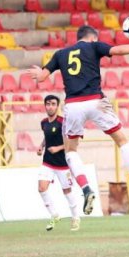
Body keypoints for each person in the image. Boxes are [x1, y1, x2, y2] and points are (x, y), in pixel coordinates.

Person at [28, 25, 129, 216]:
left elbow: (42, 77)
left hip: (73, 105)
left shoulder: (61, 53)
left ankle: (86, 189)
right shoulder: (93, 47)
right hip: (95, 101)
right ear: (92, 38)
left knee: (71, 151)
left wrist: (37, 72)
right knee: (122, 141)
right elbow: (119, 50)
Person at [37, 94, 82, 232]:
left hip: (63, 163)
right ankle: (54, 215)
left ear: (57, 106)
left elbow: (73, 142)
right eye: (48, 104)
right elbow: (46, 137)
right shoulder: (44, 122)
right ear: (45, 106)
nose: (50, 107)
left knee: (67, 191)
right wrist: (41, 146)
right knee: (41, 188)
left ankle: (75, 217)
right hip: (48, 162)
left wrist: (58, 148)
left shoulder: (63, 122)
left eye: (53, 104)